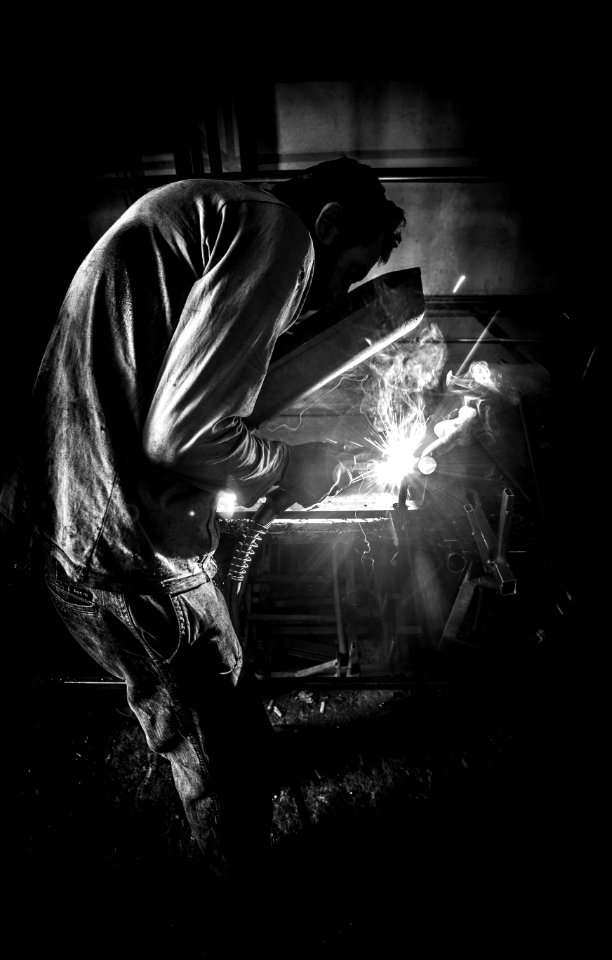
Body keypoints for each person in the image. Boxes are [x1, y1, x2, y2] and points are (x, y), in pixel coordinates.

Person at [1, 157, 405, 882]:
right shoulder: (282, 237)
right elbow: (182, 436)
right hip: (122, 537)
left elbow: (173, 403)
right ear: (332, 221)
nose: (328, 298)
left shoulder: (207, 211)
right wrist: (287, 466)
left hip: (59, 511)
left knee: (209, 709)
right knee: (225, 743)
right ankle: (242, 905)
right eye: (345, 274)